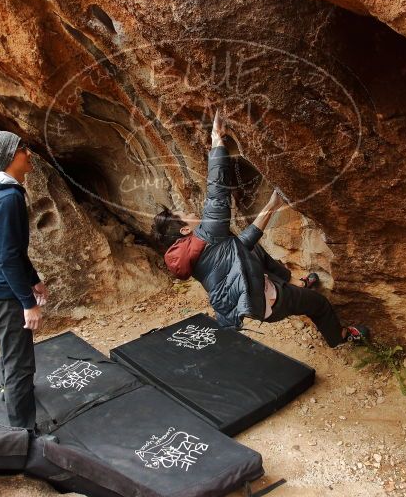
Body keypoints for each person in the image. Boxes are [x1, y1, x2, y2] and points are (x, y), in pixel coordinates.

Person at [152, 111, 369, 346]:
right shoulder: (207, 235)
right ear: (184, 230)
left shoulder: (194, 252)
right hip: (269, 299)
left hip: (251, 299)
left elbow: (243, 243)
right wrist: (217, 139)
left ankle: (296, 282)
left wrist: (272, 205)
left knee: (251, 248)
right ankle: (341, 337)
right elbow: (217, 193)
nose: (191, 212)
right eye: (184, 214)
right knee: (319, 304)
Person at [0, 129, 48, 430]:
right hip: (3, 295)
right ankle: (24, 433)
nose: (28, 153)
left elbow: (11, 250)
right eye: (21, 149)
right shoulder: (7, 199)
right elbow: (7, 258)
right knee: (21, 364)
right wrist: (28, 303)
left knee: (10, 351)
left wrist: (34, 279)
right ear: (6, 157)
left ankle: (11, 393)